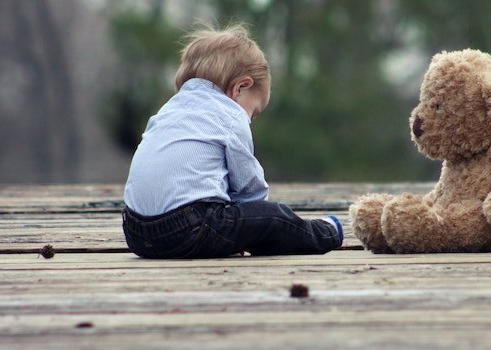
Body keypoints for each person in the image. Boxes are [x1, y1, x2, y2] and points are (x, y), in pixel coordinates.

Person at [122, 24, 343, 259]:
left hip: (135, 232)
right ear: (240, 87)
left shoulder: (168, 110)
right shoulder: (230, 114)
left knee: (240, 223)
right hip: (188, 230)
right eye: (254, 112)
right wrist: (258, 220)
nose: (250, 119)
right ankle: (326, 232)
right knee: (275, 217)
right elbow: (249, 188)